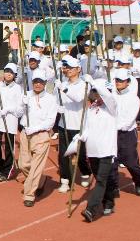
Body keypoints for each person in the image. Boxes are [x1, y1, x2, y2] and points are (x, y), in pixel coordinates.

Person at [69, 76, 120, 222]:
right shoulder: (92, 108)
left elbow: (108, 95)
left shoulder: (112, 107)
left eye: (98, 92)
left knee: (101, 181)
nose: (97, 95)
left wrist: (93, 82)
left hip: (106, 151)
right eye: (95, 92)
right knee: (100, 179)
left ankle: (91, 210)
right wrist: (80, 137)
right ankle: (109, 201)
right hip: (93, 151)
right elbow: (87, 129)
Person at [17, 73, 57, 206]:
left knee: (35, 167)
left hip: (41, 135)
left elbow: (50, 121)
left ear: (45, 83)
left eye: (40, 82)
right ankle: (40, 180)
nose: (37, 84)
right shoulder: (26, 95)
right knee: (23, 164)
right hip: (25, 134)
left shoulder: (51, 99)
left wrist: (35, 129)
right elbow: (18, 114)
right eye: (35, 81)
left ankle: (29, 194)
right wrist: (22, 105)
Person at [55, 56, 92, 192]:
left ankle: (86, 172)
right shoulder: (62, 83)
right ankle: (65, 180)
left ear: (78, 69)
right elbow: (56, 100)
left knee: (80, 154)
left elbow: (78, 98)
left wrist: (63, 88)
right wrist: (58, 107)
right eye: (66, 67)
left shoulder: (84, 84)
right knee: (63, 154)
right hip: (64, 123)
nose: (68, 70)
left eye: (71, 68)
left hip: (79, 125)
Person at [110, 69, 140, 196]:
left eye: (121, 80)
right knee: (112, 162)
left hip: (127, 133)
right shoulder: (112, 95)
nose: (118, 82)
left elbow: (129, 120)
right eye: (117, 80)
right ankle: (113, 186)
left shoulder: (133, 98)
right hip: (112, 133)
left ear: (128, 82)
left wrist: (116, 125)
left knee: (130, 162)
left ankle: (138, 180)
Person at [0, 63, 24, 183]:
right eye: (6, 71)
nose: (8, 74)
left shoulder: (18, 89)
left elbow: (20, 109)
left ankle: (8, 170)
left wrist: (9, 109)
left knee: (9, 147)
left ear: (14, 75)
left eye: (11, 72)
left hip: (10, 121)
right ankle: (0, 164)